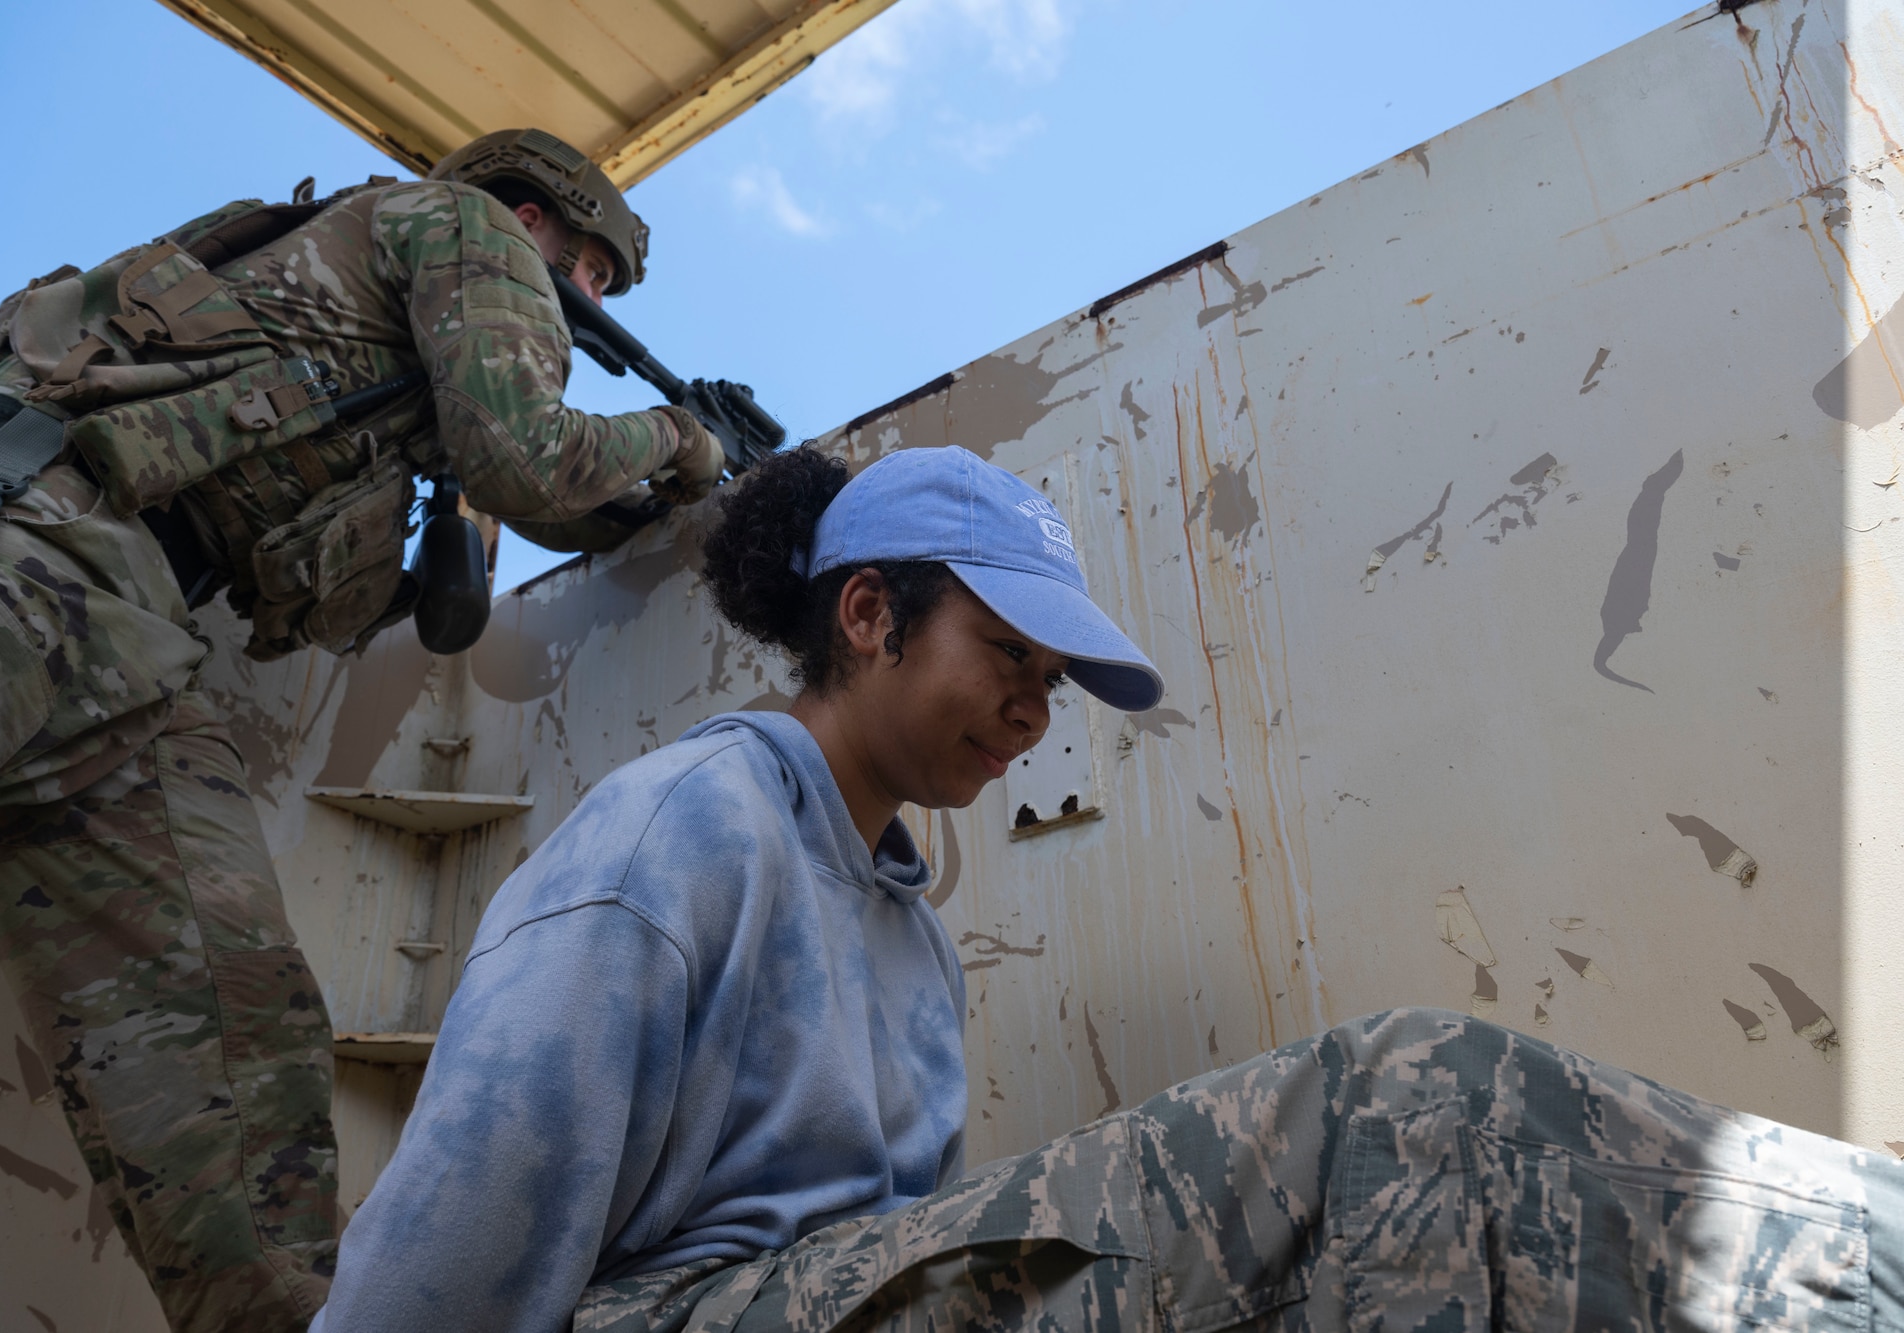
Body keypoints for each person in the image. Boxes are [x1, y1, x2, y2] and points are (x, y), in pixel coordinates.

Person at [315, 442, 1904, 1333]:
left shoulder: (909, 938)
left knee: (1370, 1249)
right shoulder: (680, 830)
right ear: (867, 614)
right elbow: (443, 1265)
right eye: (1009, 655)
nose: (1031, 710)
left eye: (1053, 683)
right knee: (1408, 1103)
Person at [0, 129, 725, 1331]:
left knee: (232, 1042)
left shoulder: (383, 328)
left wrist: (629, 503)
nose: (585, 305)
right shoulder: (464, 227)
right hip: (17, 539)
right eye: (593, 272)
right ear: (538, 217)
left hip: (129, 642)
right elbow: (530, 457)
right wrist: (682, 441)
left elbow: (500, 500)